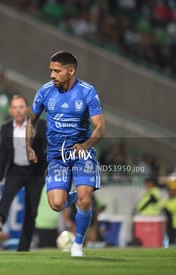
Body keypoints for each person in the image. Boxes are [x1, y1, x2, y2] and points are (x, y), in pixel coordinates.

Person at [26, 51, 105, 256]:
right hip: (56, 156)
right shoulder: (45, 92)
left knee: (85, 201)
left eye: (57, 71)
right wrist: (28, 146)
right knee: (56, 204)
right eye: (51, 70)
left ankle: (77, 245)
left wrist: (86, 145)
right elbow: (30, 122)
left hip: (81, 152)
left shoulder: (87, 92)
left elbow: (100, 128)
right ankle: (79, 194)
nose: (52, 75)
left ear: (71, 71)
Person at [0, 94, 47, 252]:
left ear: (27, 108)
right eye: (15, 107)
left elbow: (47, 147)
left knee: (31, 210)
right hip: (16, 170)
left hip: (36, 173)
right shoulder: (6, 128)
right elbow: (2, 155)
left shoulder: (40, 125)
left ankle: (23, 248)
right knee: (6, 198)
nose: (18, 110)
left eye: (21, 107)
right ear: (10, 110)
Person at [161, 178, 176, 245]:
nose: (172, 192)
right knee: (168, 239)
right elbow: (160, 205)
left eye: (174, 190)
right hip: (167, 223)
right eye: (171, 190)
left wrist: (165, 205)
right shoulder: (167, 198)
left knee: (173, 240)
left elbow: (172, 208)